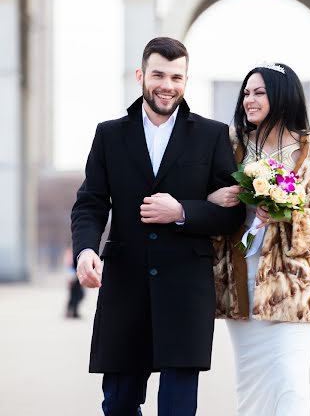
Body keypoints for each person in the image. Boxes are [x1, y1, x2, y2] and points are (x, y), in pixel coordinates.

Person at [71, 37, 245, 416]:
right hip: (125, 287)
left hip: (185, 291)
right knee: (117, 404)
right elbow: (90, 203)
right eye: (159, 75)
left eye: (176, 77)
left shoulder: (213, 134)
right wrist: (85, 250)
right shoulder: (109, 134)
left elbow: (232, 213)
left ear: (186, 80)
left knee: (177, 408)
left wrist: (182, 211)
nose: (167, 85)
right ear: (141, 76)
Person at [209, 63, 310, 416]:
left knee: (289, 385)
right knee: (251, 390)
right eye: (246, 92)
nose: (248, 100)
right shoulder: (229, 146)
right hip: (240, 286)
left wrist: (288, 211)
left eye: (259, 92)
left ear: (282, 96)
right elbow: (207, 204)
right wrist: (215, 199)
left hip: (294, 290)